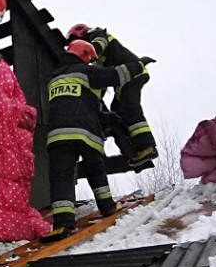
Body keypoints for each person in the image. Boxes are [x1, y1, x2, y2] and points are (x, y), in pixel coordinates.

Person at [43, 40, 155, 242]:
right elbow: (114, 75)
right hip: (86, 134)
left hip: (58, 136)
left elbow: (76, 104)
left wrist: (105, 117)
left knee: (61, 177)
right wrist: (138, 65)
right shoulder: (86, 73)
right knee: (96, 171)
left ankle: (62, 224)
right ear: (85, 55)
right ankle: (108, 207)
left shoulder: (55, 79)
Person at [67, 23, 157, 165]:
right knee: (117, 110)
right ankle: (134, 147)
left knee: (129, 107)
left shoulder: (98, 35)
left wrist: (88, 52)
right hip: (126, 78)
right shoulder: (98, 61)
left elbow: (99, 44)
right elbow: (102, 81)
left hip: (133, 73)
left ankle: (146, 146)